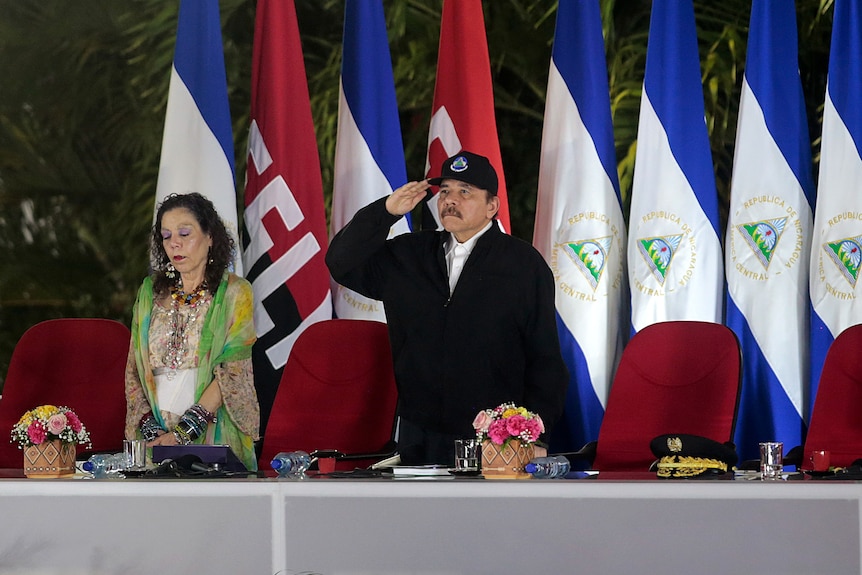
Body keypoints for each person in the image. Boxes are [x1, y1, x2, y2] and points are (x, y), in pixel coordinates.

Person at [326, 151, 568, 465]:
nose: (450, 200)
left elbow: (545, 358)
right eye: (445, 192)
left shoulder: (522, 265)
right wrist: (385, 212)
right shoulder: (409, 255)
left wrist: (534, 435)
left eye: (465, 192)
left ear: (492, 206)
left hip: (495, 436)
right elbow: (341, 262)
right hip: (418, 433)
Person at [125, 192, 260, 471]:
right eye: (166, 235)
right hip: (153, 438)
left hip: (213, 434)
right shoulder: (150, 292)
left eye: (185, 233)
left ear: (210, 236)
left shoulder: (236, 292)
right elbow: (134, 370)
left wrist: (182, 434)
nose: (175, 243)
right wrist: (154, 435)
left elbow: (231, 372)